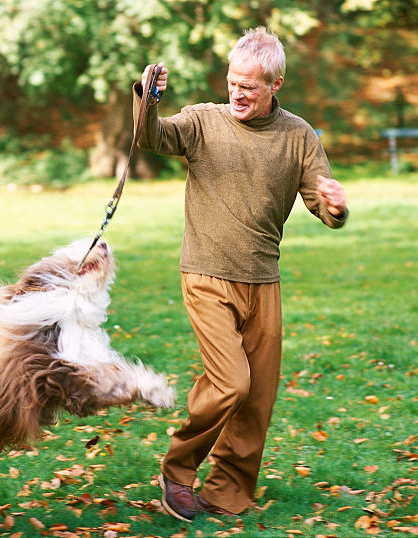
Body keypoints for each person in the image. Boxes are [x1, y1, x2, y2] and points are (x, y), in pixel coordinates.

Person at [133, 27, 348, 521]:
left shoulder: (298, 136)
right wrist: (147, 100)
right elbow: (154, 136)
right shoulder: (204, 121)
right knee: (231, 382)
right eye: (233, 82)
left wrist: (336, 206)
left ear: (276, 84)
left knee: (258, 396)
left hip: (263, 280)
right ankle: (178, 471)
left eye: (249, 86)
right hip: (207, 273)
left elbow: (322, 202)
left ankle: (229, 491)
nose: (238, 93)